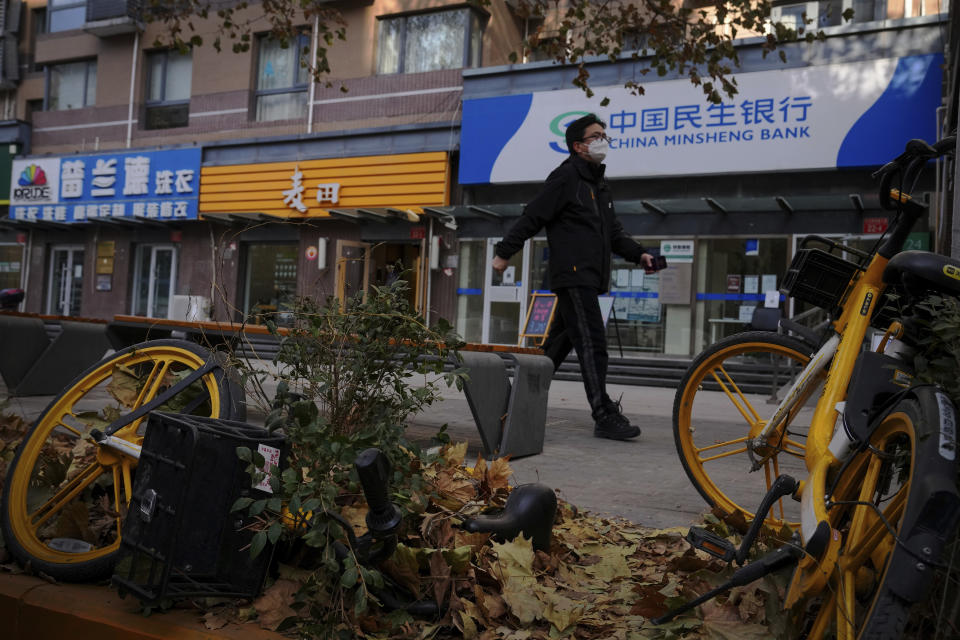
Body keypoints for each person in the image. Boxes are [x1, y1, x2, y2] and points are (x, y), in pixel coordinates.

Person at [492, 113, 655, 441]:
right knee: (593, 343)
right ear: (579, 145)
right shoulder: (566, 177)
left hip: (588, 278)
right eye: (596, 136)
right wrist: (505, 251)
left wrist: (640, 254)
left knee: (555, 346)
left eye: (604, 135)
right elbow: (534, 214)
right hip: (574, 275)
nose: (603, 140)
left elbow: (613, 233)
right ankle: (603, 414)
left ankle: (517, 400)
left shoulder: (598, 184)